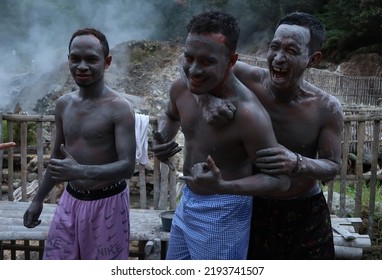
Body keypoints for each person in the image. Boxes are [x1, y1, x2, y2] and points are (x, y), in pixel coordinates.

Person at [185, 12, 344, 259]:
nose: (279, 58)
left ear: (313, 59)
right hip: (250, 206)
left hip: (303, 210)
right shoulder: (247, 78)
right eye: (274, 47)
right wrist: (204, 99)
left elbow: (332, 166)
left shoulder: (325, 108)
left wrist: (298, 162)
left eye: (291, 50)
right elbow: (190, 64)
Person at [153, 10, 290, 260]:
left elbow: (280, 180)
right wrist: (163, 138)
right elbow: (170, 116)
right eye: (189, 57)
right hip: (187, 202)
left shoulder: (248, 114)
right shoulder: (182, 87)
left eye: (206, 61)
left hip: (226, 211)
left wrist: (225, 186)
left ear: (231, 60)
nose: (193, 69)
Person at [23, 28, 136, 260]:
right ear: (68, 60)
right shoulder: (64, 105)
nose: (82, 66)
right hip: (70, 200)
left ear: (107, 62)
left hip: (108, 204)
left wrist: (80, 170)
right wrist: (37, 200)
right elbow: (57, 158)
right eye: (75, 58)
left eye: (91, 59)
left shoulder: (119, 108)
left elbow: (127, 167)